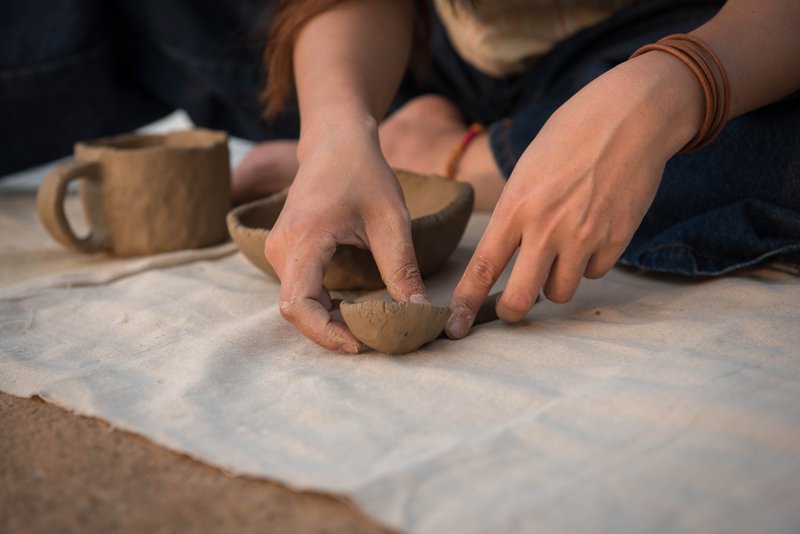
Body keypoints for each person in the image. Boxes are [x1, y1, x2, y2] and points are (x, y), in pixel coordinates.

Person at [234, 0, 800, 353]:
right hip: (440, 49)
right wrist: (334, 131)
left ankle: (460, 157)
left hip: (679, 33)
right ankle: (379, 148)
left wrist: (677, 91)